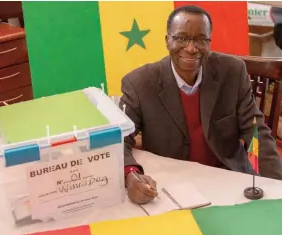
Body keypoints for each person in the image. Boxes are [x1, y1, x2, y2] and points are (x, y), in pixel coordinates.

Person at [120, 5, 282, 204]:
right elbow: (118, 141)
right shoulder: (139, 83)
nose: (191, 48)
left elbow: (256, 131)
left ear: (209, 41)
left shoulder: (233, 72)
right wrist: (130, 175)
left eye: (200, 39)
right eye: (181, 38)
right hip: (170, 186)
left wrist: (277, 186)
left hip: (228, 179)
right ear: (167, 41)